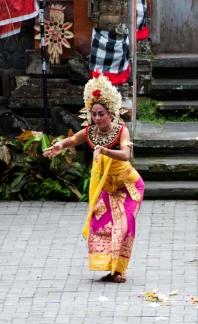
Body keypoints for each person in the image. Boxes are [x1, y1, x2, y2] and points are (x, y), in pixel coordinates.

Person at [44, 72, 144, 283]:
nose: (97, 118)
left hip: (128, 186)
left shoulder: (121, 131)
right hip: (107, 188)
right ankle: (109, 267)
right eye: (94, 114)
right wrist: (59, 146)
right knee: (101, 225)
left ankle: (118, 271)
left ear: (111, 113)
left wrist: (105, 152)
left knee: (124, 226)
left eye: (101, 114)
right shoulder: (90, 132)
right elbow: (73, 139)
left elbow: (126, 155)